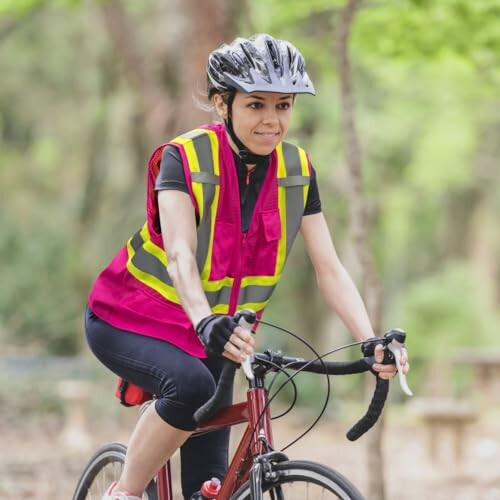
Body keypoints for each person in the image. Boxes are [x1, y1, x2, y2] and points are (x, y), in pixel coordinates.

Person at [85, 33, 409, 500]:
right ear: (223, 103)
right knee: (192, 384)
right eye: (256, 104)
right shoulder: (185, 156)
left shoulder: (297, 170)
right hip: (130, 317)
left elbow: (329, 267)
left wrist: (370, 337)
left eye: (283, 106)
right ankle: (125, 493)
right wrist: (204, 320)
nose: (271, 120)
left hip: (219, 335)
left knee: (208, 487)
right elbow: (179, 253)